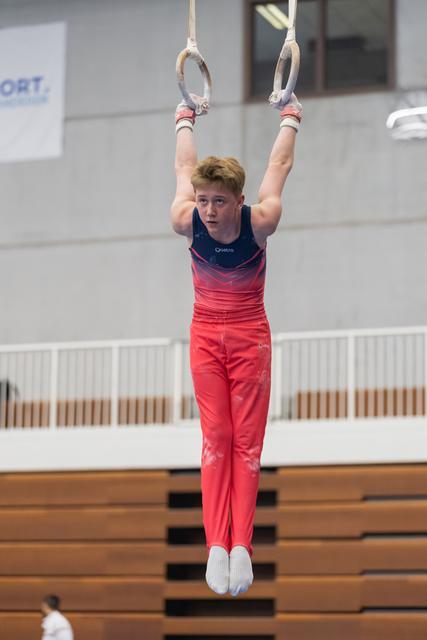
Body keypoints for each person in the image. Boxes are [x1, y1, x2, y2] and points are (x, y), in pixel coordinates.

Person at [171, 92, 301, 597]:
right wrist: (184, 118)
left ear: (238, 201)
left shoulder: (261, 222)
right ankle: (215, 547)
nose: (207, 211)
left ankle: (241, 544)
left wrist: (291, 117)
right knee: (215, 438)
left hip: (249, 337)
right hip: (205, 334)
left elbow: (280, 162)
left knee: (246, 444)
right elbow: (185, 162)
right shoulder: (185, 219)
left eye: (218, 201)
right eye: (203, 200)